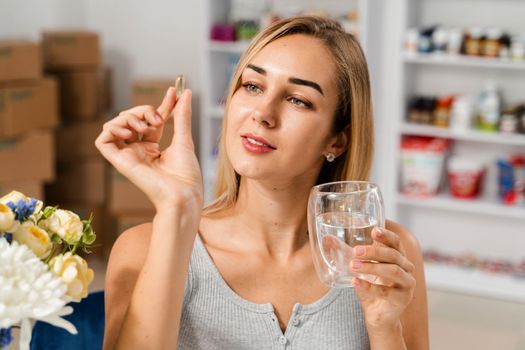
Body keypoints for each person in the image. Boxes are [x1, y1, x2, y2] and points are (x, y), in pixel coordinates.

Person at [95, 16, 429, 350]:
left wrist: (384, 328)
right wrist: (176, 208)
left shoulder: (385, 256)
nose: (263, 113)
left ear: (337, 141)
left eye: (298, 99)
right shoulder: (142, 248)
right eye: (253, 86)